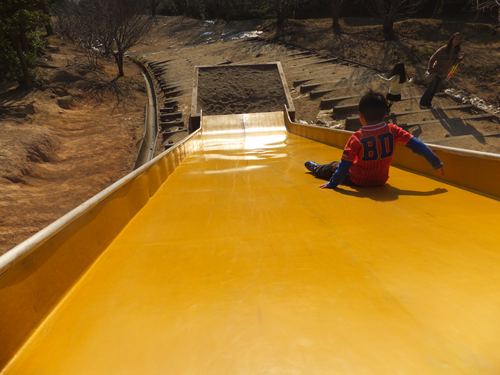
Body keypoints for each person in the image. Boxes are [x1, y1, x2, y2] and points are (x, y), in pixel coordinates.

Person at [305, 90, 444, 190]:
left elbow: (345, 165)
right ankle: (320, 168)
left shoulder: (357, 137)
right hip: (381, 180)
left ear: (361, 116)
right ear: (384, 114)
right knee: (341, 165)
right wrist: (435, 162)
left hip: (359, 181)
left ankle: (317, 169)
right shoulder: (393, 130)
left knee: (334, 166)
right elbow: (418, 145)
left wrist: (332, 184)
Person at [419, 32, 466, 109]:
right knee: (430, 89)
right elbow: (432, 59)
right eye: (456, 39)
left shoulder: (456, 51)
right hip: (435, 72)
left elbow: (455, 62)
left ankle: (428, 103)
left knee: (435, 89)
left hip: (443, 73)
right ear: (452, 39)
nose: (457, 41)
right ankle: (422, 103)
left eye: (459, 39)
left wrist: (462, 58)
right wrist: (430, 69)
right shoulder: (443, 49)